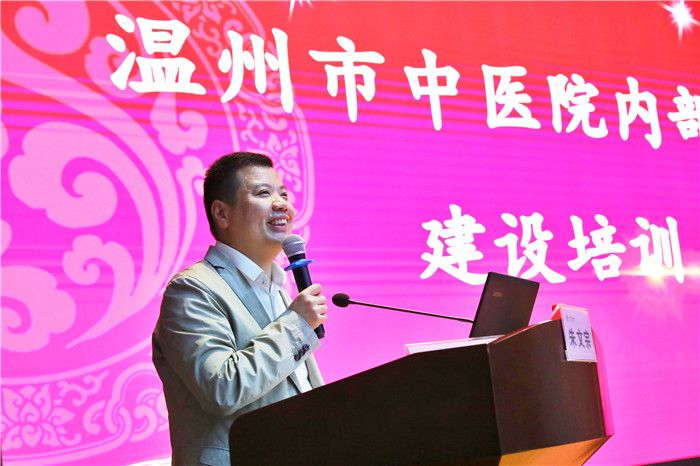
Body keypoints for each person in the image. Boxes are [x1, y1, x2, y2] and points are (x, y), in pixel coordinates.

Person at [152, 152, 328, 465]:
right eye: (263, 193)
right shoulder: (192, 289)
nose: (281, 204)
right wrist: (297, 325)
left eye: (284, 194)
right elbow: (222, 388)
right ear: (221, 213)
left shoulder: (278, 289)